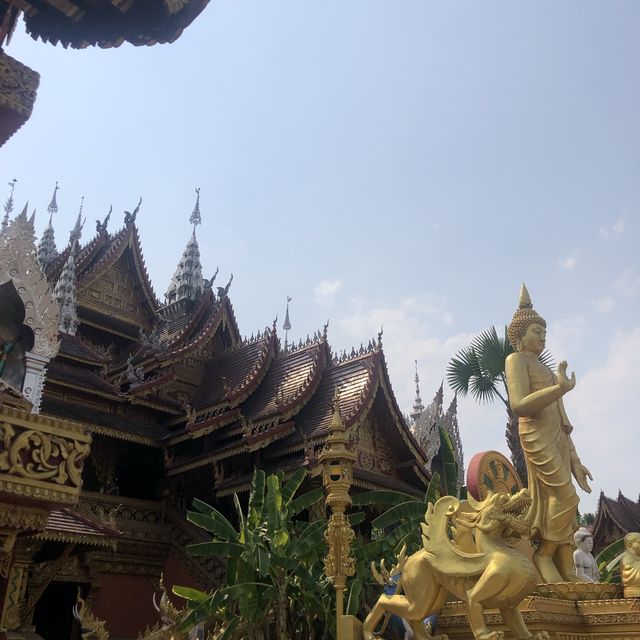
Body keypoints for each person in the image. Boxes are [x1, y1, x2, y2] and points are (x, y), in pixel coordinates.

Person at [505, 284, 592, 583]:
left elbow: (564, 423)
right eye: (536, 332)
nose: (542, 337)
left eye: (544, 333)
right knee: (565, 496)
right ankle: (543, 556)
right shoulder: (516, 361)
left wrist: (575, 461)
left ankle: (567, 569)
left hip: (556, 436)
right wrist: (557, 388)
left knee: (568, 502)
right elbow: (519, 405)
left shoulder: (546, 368)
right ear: (518, 335)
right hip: (534, 435)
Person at [621, 532, 640, 598]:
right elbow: (633, 574)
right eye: (639, 542)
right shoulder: (627, 556)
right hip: (634, 589)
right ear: (629, 545)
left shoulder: (637, 557)